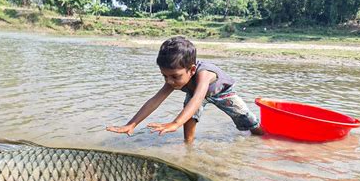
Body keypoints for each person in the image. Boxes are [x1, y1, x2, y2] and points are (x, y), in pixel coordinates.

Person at [106, 36, 263, 144]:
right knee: (189, 117)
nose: (169, 81)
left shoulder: (204, 74)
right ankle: (188, 146)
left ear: (192, 69)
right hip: (194, 93)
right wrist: (132, 124)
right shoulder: (173, 78)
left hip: (221, 93)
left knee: (246, 118)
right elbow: (155, 100)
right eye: (164, 76)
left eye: (174, 76)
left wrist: (175, 123)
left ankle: (262, 137)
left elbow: (197, 99)